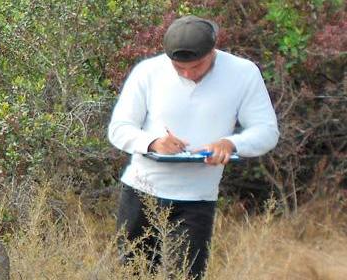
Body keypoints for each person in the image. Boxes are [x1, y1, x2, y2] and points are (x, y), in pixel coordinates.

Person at [107, 15, 279, 279]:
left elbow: (267, 131)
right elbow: (119, 128)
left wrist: (231, 143)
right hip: (140, 193)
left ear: (213, 51)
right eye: (179, 68)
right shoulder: (148, 71)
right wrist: (153, 142)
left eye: (196, 66)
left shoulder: (243, 73)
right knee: (134, 274)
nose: (188, 73)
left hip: (197, 200)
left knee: (187, 276)